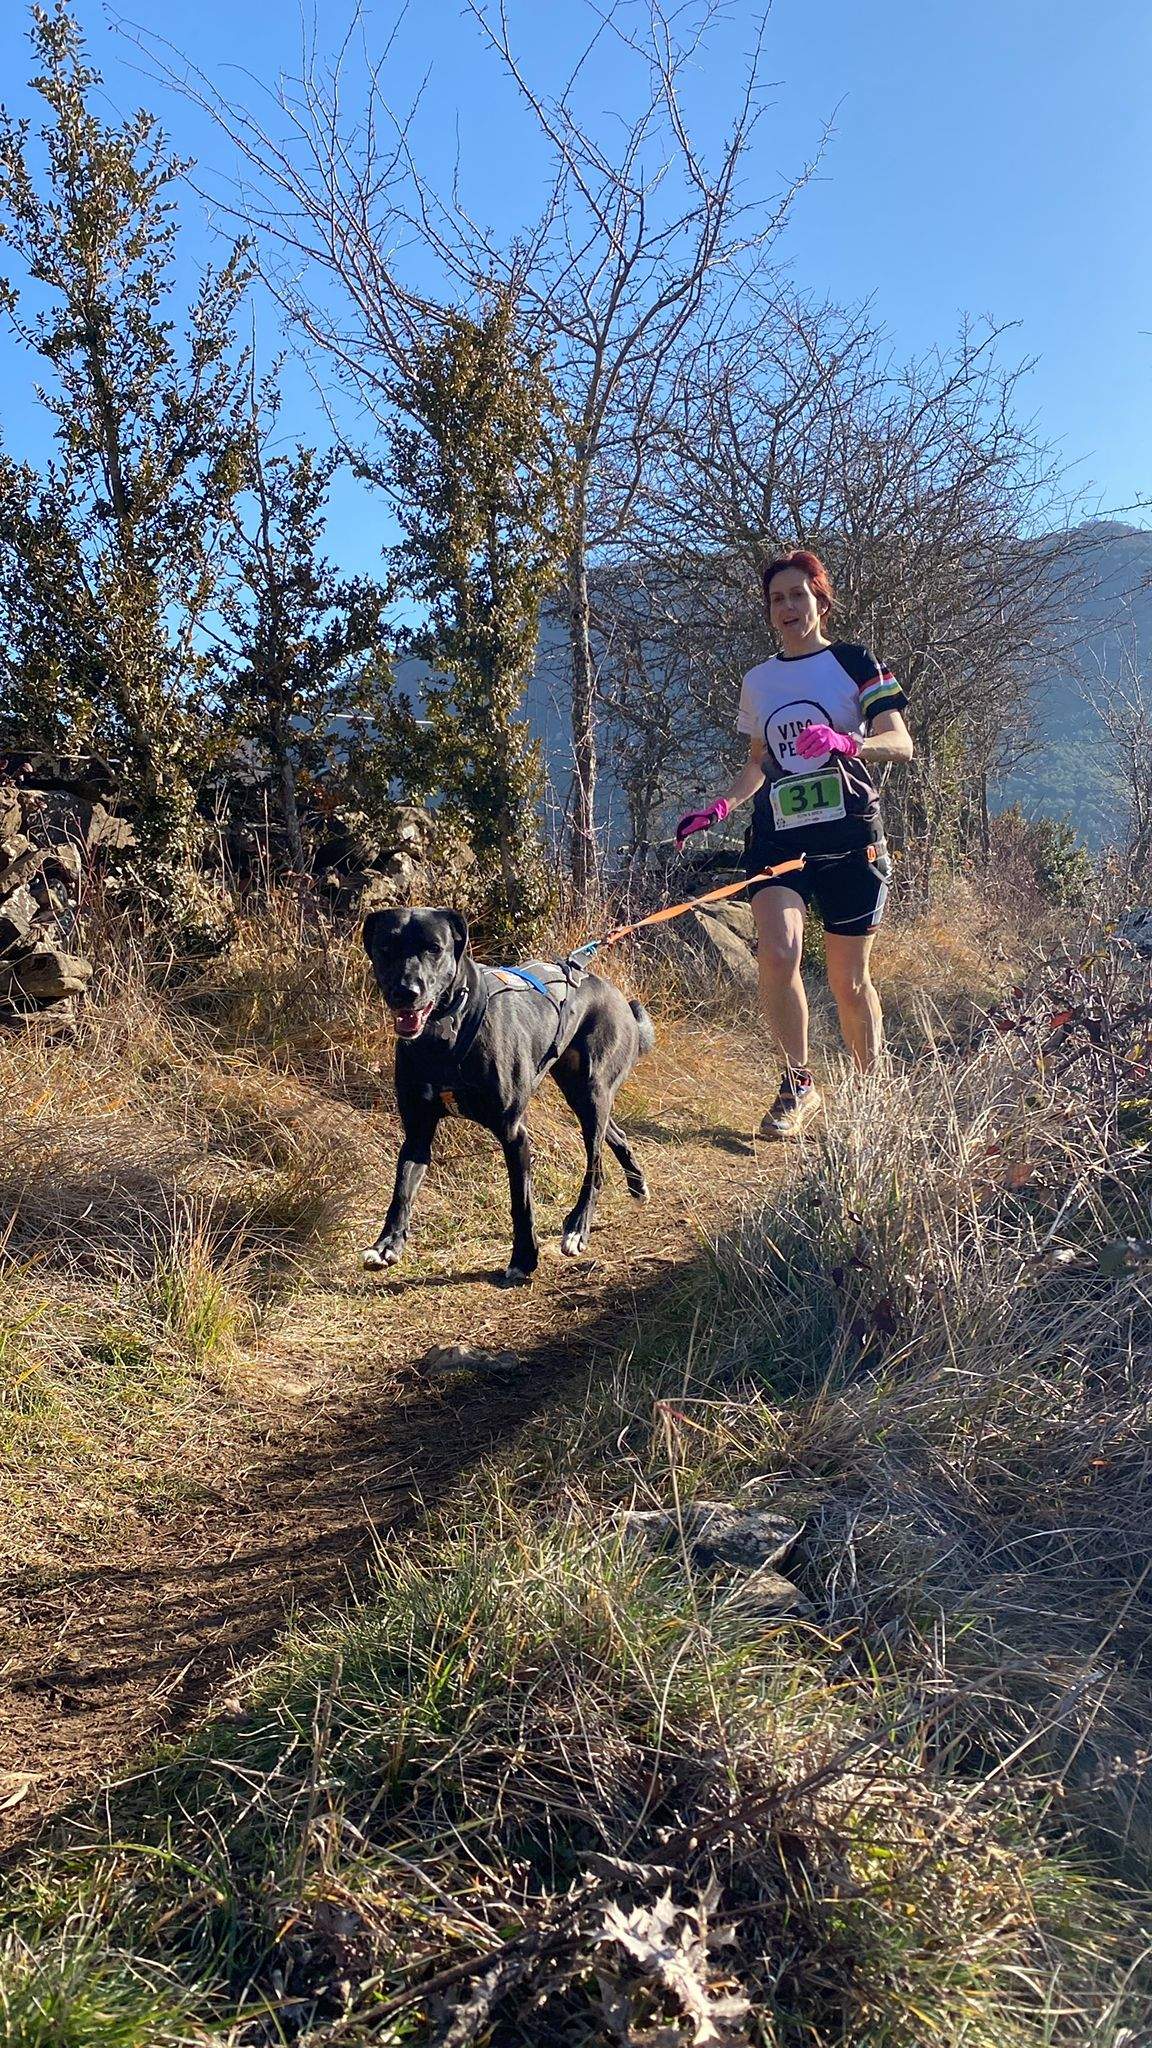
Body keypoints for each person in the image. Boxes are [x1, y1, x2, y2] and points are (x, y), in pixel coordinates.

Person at [676, 549, 913, 1138]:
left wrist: (845, 743)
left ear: (820, 600)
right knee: (777, 955)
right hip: (778, 836)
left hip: (849, 835)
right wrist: (722, 805)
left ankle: (872, 1092)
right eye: (777, 598)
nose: (787, 607)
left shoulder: (855, 662)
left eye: (798, 595)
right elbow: (759, 762)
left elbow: (901, 742)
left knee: (848, 983)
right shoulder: (759, 682)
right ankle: (797, 1084)